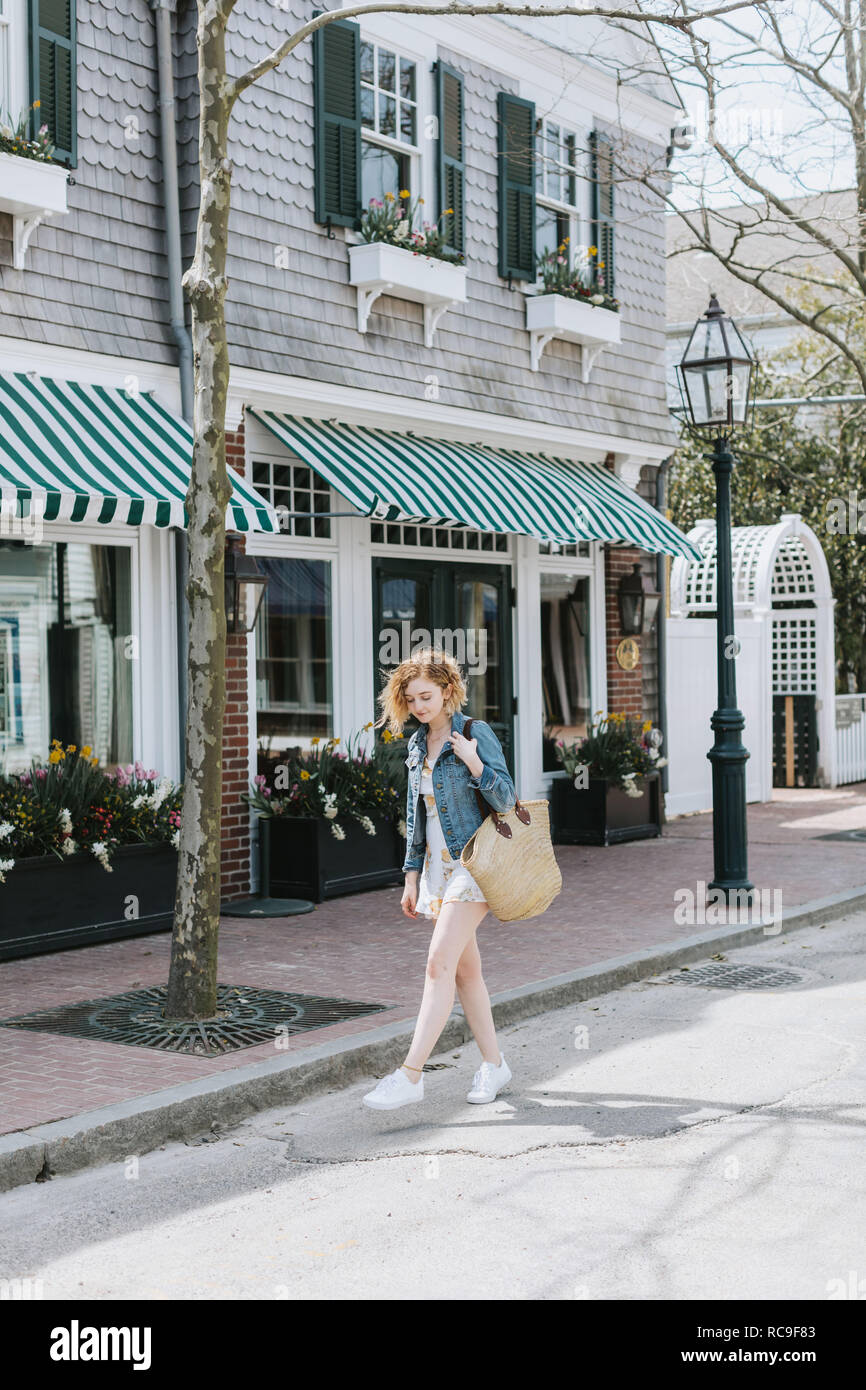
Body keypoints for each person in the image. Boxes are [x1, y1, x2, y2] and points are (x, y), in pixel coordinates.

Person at [362, 648, 517, 1111]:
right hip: (437, 870)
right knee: (466, 972)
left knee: (436, 965)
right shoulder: (415, 746)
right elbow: (415, 816)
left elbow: (507, 799)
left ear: (449, 691)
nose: (419, 706)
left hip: (475, 864)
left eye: (426, 696)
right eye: (410, 699)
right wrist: (410, 876)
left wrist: (473, 762)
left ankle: (410, 1075)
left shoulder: (476, 733)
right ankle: (495, 1065)